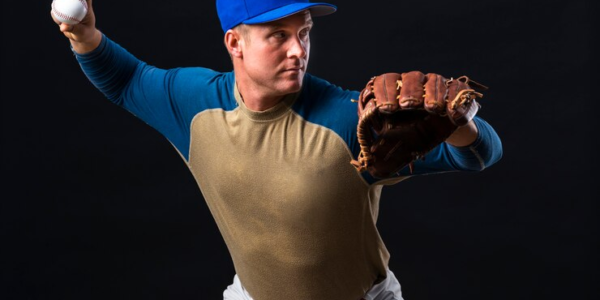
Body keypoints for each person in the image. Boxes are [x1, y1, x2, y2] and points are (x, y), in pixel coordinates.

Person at [52, 0, 503, 299]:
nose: (297, 51)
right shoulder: (193, 104)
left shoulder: (344, 118)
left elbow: (479, 156)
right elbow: (126, 79)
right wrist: (85, 35)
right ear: (235, 43)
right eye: (277, 35)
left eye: (303, 33)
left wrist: (459, 125)